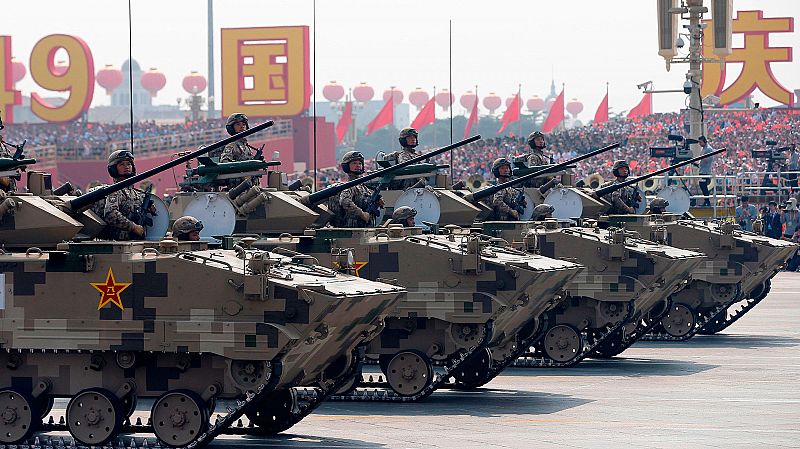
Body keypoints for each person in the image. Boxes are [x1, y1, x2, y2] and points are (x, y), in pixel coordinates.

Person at [102, 150, 156, 240]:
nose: (126, 167)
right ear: (113, 169)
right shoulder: (115, 191)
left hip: (137, 241)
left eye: (129, 164)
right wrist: (133, 227)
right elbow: (110, 214)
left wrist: (149, 206)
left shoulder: (135, 192)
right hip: (120, 244)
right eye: (121, 164)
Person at [328, 151, 383, 227]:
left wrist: (377, 203)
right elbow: (344, 201)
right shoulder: (349, 186)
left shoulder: (363, 186)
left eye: (360, 163)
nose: (358, 165)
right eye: (354, 163)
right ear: (346, 166)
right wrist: (362, 214)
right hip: (353, 229)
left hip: (366, 228)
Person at [697, 136, 715, 207]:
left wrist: (702, 157)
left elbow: (709, 160)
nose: (699, 144)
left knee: (703, 186)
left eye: (700, 142)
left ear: (704, 141)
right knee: (702, 186)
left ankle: (707, 201)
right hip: (702, 170)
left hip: (705, 171)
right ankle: (706, 201)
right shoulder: (704, 149)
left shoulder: (708, 149)